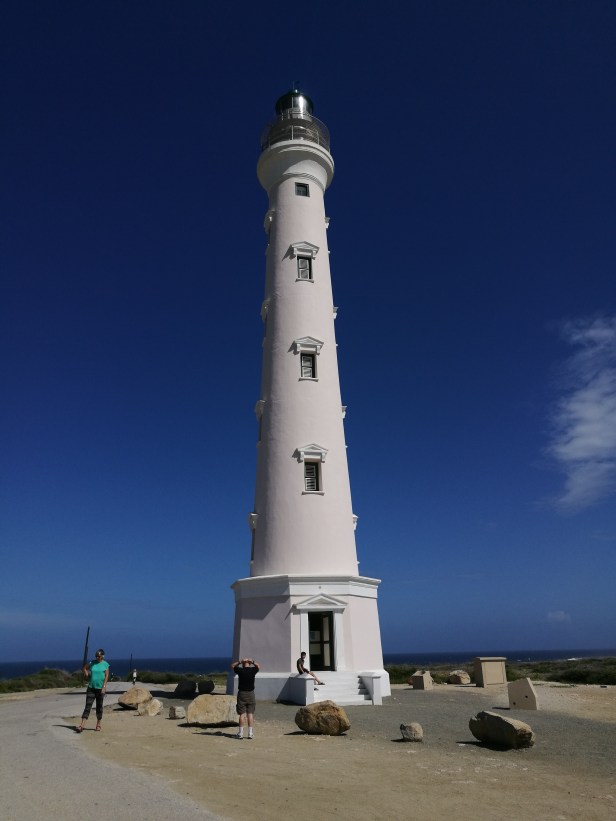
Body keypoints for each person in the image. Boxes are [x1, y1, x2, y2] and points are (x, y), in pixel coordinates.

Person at [77, 648, 110, 732]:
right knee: (88, 706)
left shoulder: (106, 664)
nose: (97, 657)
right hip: (91, 688)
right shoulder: (92, 663)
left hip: (100, 689)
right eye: (96, 656)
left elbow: (106, 676)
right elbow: (84, 668)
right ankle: (81, 725)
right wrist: (86, 673)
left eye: (99, 656)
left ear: (103, 656)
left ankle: (98, 724)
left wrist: (104, 687)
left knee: (99, 707)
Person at [230, 657, 259, 739]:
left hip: (242, 693)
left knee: (242, 714)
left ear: (242, 664)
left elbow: (232, 666)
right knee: (250, 714)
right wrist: (252, 661)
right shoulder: (253, 670)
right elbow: (258, 666)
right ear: (250, 664)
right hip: (251, 694)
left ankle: (241, 733)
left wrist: (239, 661)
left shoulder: (240, 670)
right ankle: (250, 733)